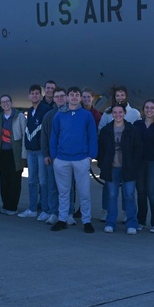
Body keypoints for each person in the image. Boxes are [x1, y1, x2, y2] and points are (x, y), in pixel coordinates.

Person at [49, 87, 98, 233]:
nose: (75, 97)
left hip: (81, 158)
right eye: (72, 95)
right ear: (67, 98)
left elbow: (92, 136)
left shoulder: (87, 115)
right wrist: (54, 157)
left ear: (80, 98)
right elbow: (54, 136)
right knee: (63, 192)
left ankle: (86, 221)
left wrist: (91, 156)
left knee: (84, 192)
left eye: (77, 95)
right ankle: (62, 219)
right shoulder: (59, 115)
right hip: (62, 159)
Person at [96, 103, 142, 234]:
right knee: (111, 195)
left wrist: (134, 165)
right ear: (112, 114)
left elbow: (138, 150)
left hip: (128, 168)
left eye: (120, 112)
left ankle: (132, 223)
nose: (117, 115)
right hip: (111, 168)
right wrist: (102, 165)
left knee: (129, 195)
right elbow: (101, 150)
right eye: (115, 112)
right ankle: (110, 222)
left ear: (124, 113)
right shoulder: (106, 130)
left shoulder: (132, 130)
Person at [133, 98, 154, 233]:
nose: (149, 110)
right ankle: (141, 221)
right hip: (140, 162)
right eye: (147, 108)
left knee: (152, 193)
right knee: (141, 193)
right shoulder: (137, 124)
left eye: (152, 108)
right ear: (143, 110)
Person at [18, 84, 50, 219]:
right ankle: (32, 208)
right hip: (31, 152)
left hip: (41, 152)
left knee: (43, 181)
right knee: (32, 181)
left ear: (41, 95)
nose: (34, 95)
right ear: (29, 96)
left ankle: (45, 209)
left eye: (37, 93)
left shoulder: (46, 110)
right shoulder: (30, 111)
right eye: (32, 93)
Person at [39, 87, 68, 224]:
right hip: (52, 157)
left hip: (68, 157)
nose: (60, 99)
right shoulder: (49, 116)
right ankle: (53, 212)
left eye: (62, 96)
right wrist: (45, 154)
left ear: (66, 97)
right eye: (57, 97)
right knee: (52, 186)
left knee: (68, 187)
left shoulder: (72, 113)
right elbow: (44, 137)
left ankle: (68, 213)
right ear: (54, 98)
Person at [0, 95, 26, 215]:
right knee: (4, 180)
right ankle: (5, 205)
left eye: (7, 101)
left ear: (11, 102)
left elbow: (24, 135)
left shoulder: (19, 117)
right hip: (3, 153)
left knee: (15, 181)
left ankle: (13, 207)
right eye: (2, 102)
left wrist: (23, 154)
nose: (5, 104)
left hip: (15, 154)